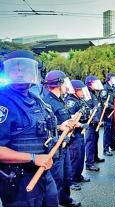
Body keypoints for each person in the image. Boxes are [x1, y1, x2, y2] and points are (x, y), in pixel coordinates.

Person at [0, 50, 67, 206]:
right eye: (14, 69)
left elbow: (38, 129)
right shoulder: (3, 103)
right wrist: (33, 158)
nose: (19, 73)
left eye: (24, 68)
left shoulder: (35, 98)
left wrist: (61, 127)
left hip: (43, 174)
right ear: (6, 71)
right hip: (19, 181)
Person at [43, 70, 81, 207]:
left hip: (65, 145)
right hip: (55, 147)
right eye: (65, 81)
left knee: (66, 175)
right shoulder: (47, 102)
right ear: (59, 84)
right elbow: (45, 125)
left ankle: (66, 199)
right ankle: (56, 203)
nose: (67, 84)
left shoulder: (60, 100)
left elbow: (64, 119)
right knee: (57, 178)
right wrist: (60, 127)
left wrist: (72, 122)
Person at [65, 80, 91, 185]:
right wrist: (80, 124)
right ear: (75, 90)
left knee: (80, 156)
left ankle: (78, 175)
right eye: (80, 90)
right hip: (73, 133)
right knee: (74, 157)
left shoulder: (79, 100)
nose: (82, 92)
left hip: (80, 133)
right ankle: (71, 180)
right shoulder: (71, 102)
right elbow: (70, 118)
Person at [84, 75, 105, 172]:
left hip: (97, 122)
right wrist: (95, 120)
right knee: (90, 142)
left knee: (95, 140)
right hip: (91, 123)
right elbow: (89, 110)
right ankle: (89, 163)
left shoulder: (94, 93)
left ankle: (95, 157)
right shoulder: (87, 94)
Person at [100, 72, 115, 156]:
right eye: (114, 78)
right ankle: (106, 149)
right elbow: (104, 102)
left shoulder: (113, 87)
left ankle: (113, 145)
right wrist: (113, 107)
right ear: (110, 79)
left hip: (113, 112)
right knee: (107, 131)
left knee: (113, 130)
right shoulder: (105, 88)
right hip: (108, 113)